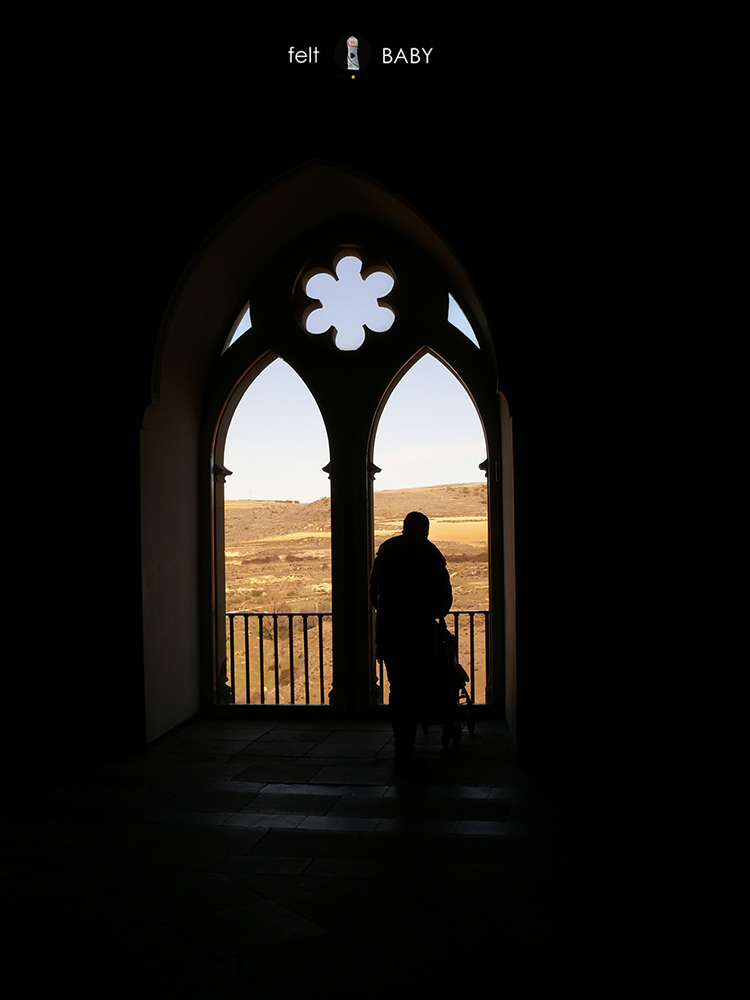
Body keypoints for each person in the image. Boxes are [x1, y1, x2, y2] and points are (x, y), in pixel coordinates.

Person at [369, 511, 452, 772]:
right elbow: (444, 599)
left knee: (398, 689)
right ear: (425, 530)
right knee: (415, 690)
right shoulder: (430, 554)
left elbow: (374, 593)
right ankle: (407, 748)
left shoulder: (387, 552)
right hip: (420, 633)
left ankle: (401, 748)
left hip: (390, 631)